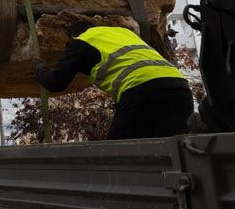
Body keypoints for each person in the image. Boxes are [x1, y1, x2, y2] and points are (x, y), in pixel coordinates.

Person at [31, 20, 193, 140]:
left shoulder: (80, 42)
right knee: (178, 151)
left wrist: (38, 67)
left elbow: (55, 83)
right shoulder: (124, 33)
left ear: (73, 36)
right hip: (180, 89)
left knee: (117, 155)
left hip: (141, 92)